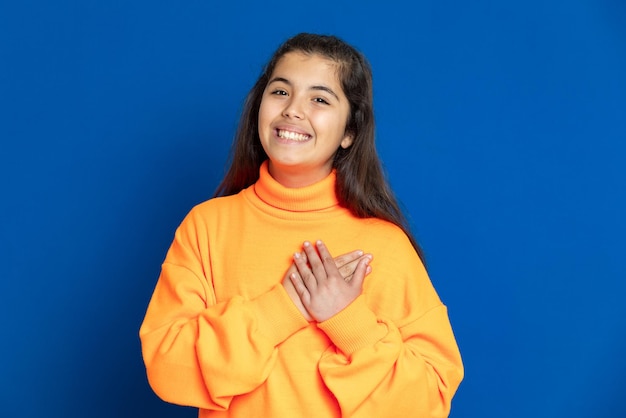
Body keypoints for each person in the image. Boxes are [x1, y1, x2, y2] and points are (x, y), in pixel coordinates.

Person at [139, 32, 464, 417]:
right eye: (280, 92)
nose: (293, 110)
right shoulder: (207, 227)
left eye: (320, 99)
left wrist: (347, 320)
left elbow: (429, 399)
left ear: (349, 133)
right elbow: (167, 365)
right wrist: (285, 306)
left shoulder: (386, 246)